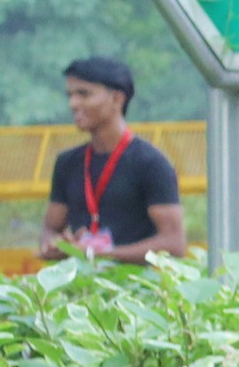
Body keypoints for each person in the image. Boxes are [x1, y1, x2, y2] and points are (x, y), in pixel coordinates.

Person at [40, 57, 185, 264]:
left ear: (117, 99)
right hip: (82, 281)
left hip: (136, 281)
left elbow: (174, 244)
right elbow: (50, 229)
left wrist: (97, 253)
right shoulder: (67, 163)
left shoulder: (151, 164)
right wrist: (54, 245)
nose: (73, 104)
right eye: (70, 95)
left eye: (84, 94)